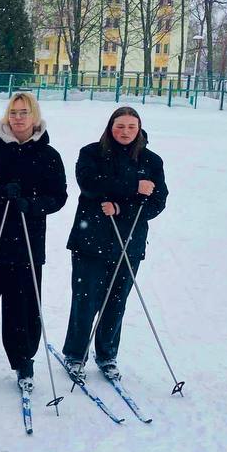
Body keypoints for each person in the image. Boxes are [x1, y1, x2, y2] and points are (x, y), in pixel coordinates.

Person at [0, 92, 67, 392]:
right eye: (14, 112)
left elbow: (58, 196)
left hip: (27, 243)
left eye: (24, 112)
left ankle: (23, 359)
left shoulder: (48, 155)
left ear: (35, 116)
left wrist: (32, 204)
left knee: (23, 305)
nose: (18, 118)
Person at [60, 106, 168, 379]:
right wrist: (134, 186)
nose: (125, 132)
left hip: (129, 242)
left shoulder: (151, 161)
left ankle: (107, 354)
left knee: (116, 302)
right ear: (110, 127)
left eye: (131, 127)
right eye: (120, 126)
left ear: (139, 129)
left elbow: (156, 201)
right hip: (90, 240)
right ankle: (75, 354)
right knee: (85, 302)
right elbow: (90, 185)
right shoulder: (91, 153)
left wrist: (121, 208)